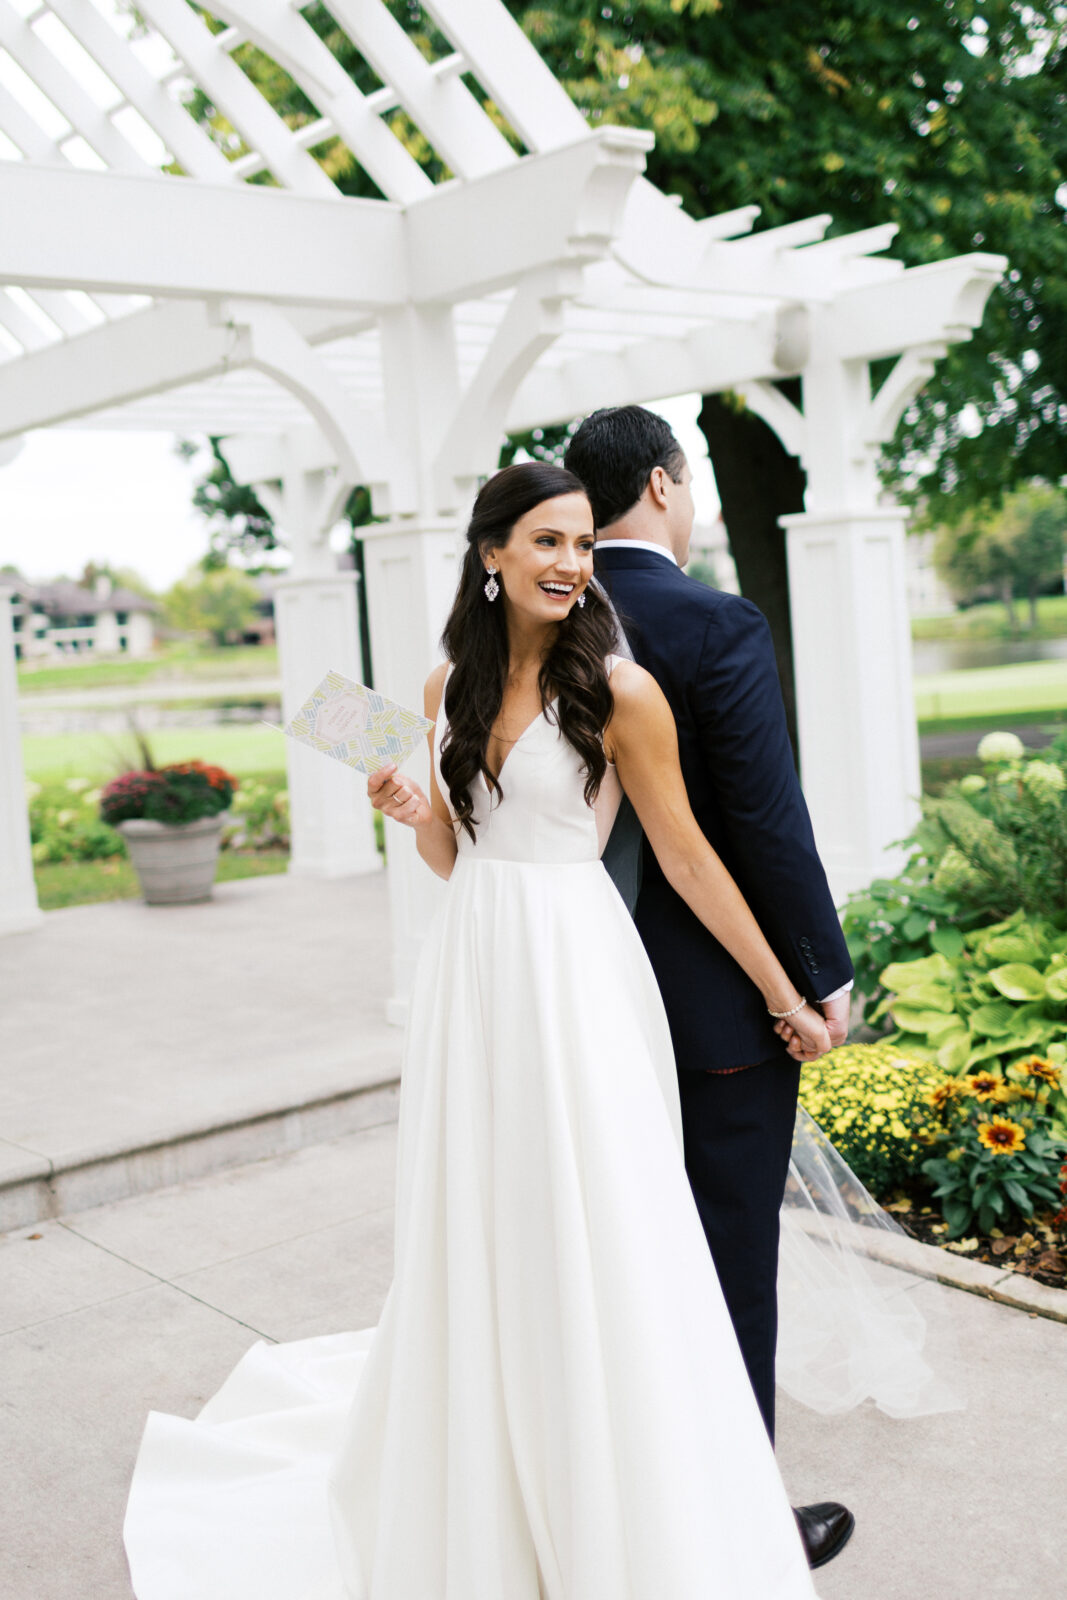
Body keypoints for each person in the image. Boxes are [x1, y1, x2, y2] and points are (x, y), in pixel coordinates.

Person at [124, 462, 831, 1600]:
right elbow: (459, 854)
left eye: (581, 545)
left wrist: (785, 993)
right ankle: (487, 1456)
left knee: (597, 1210)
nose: (567, 564)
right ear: (490, 554)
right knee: (484, 1208)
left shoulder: (621, 689)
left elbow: (687, 854)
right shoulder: (447, 682)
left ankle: (613, 1481)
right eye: (544, 542)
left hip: (577, 966)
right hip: (476, 961)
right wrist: (414, 812)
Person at [564, 405, 857, 1570]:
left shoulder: (514, 622)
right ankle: (734, 1520)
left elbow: (375, 728)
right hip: (704, 1012)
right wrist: (816, 976)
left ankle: (594, 1492)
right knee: (726, 1252)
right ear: (662, 483)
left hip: (551, 998)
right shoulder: (709, 622)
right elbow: (758, 826)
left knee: (593, 1253)